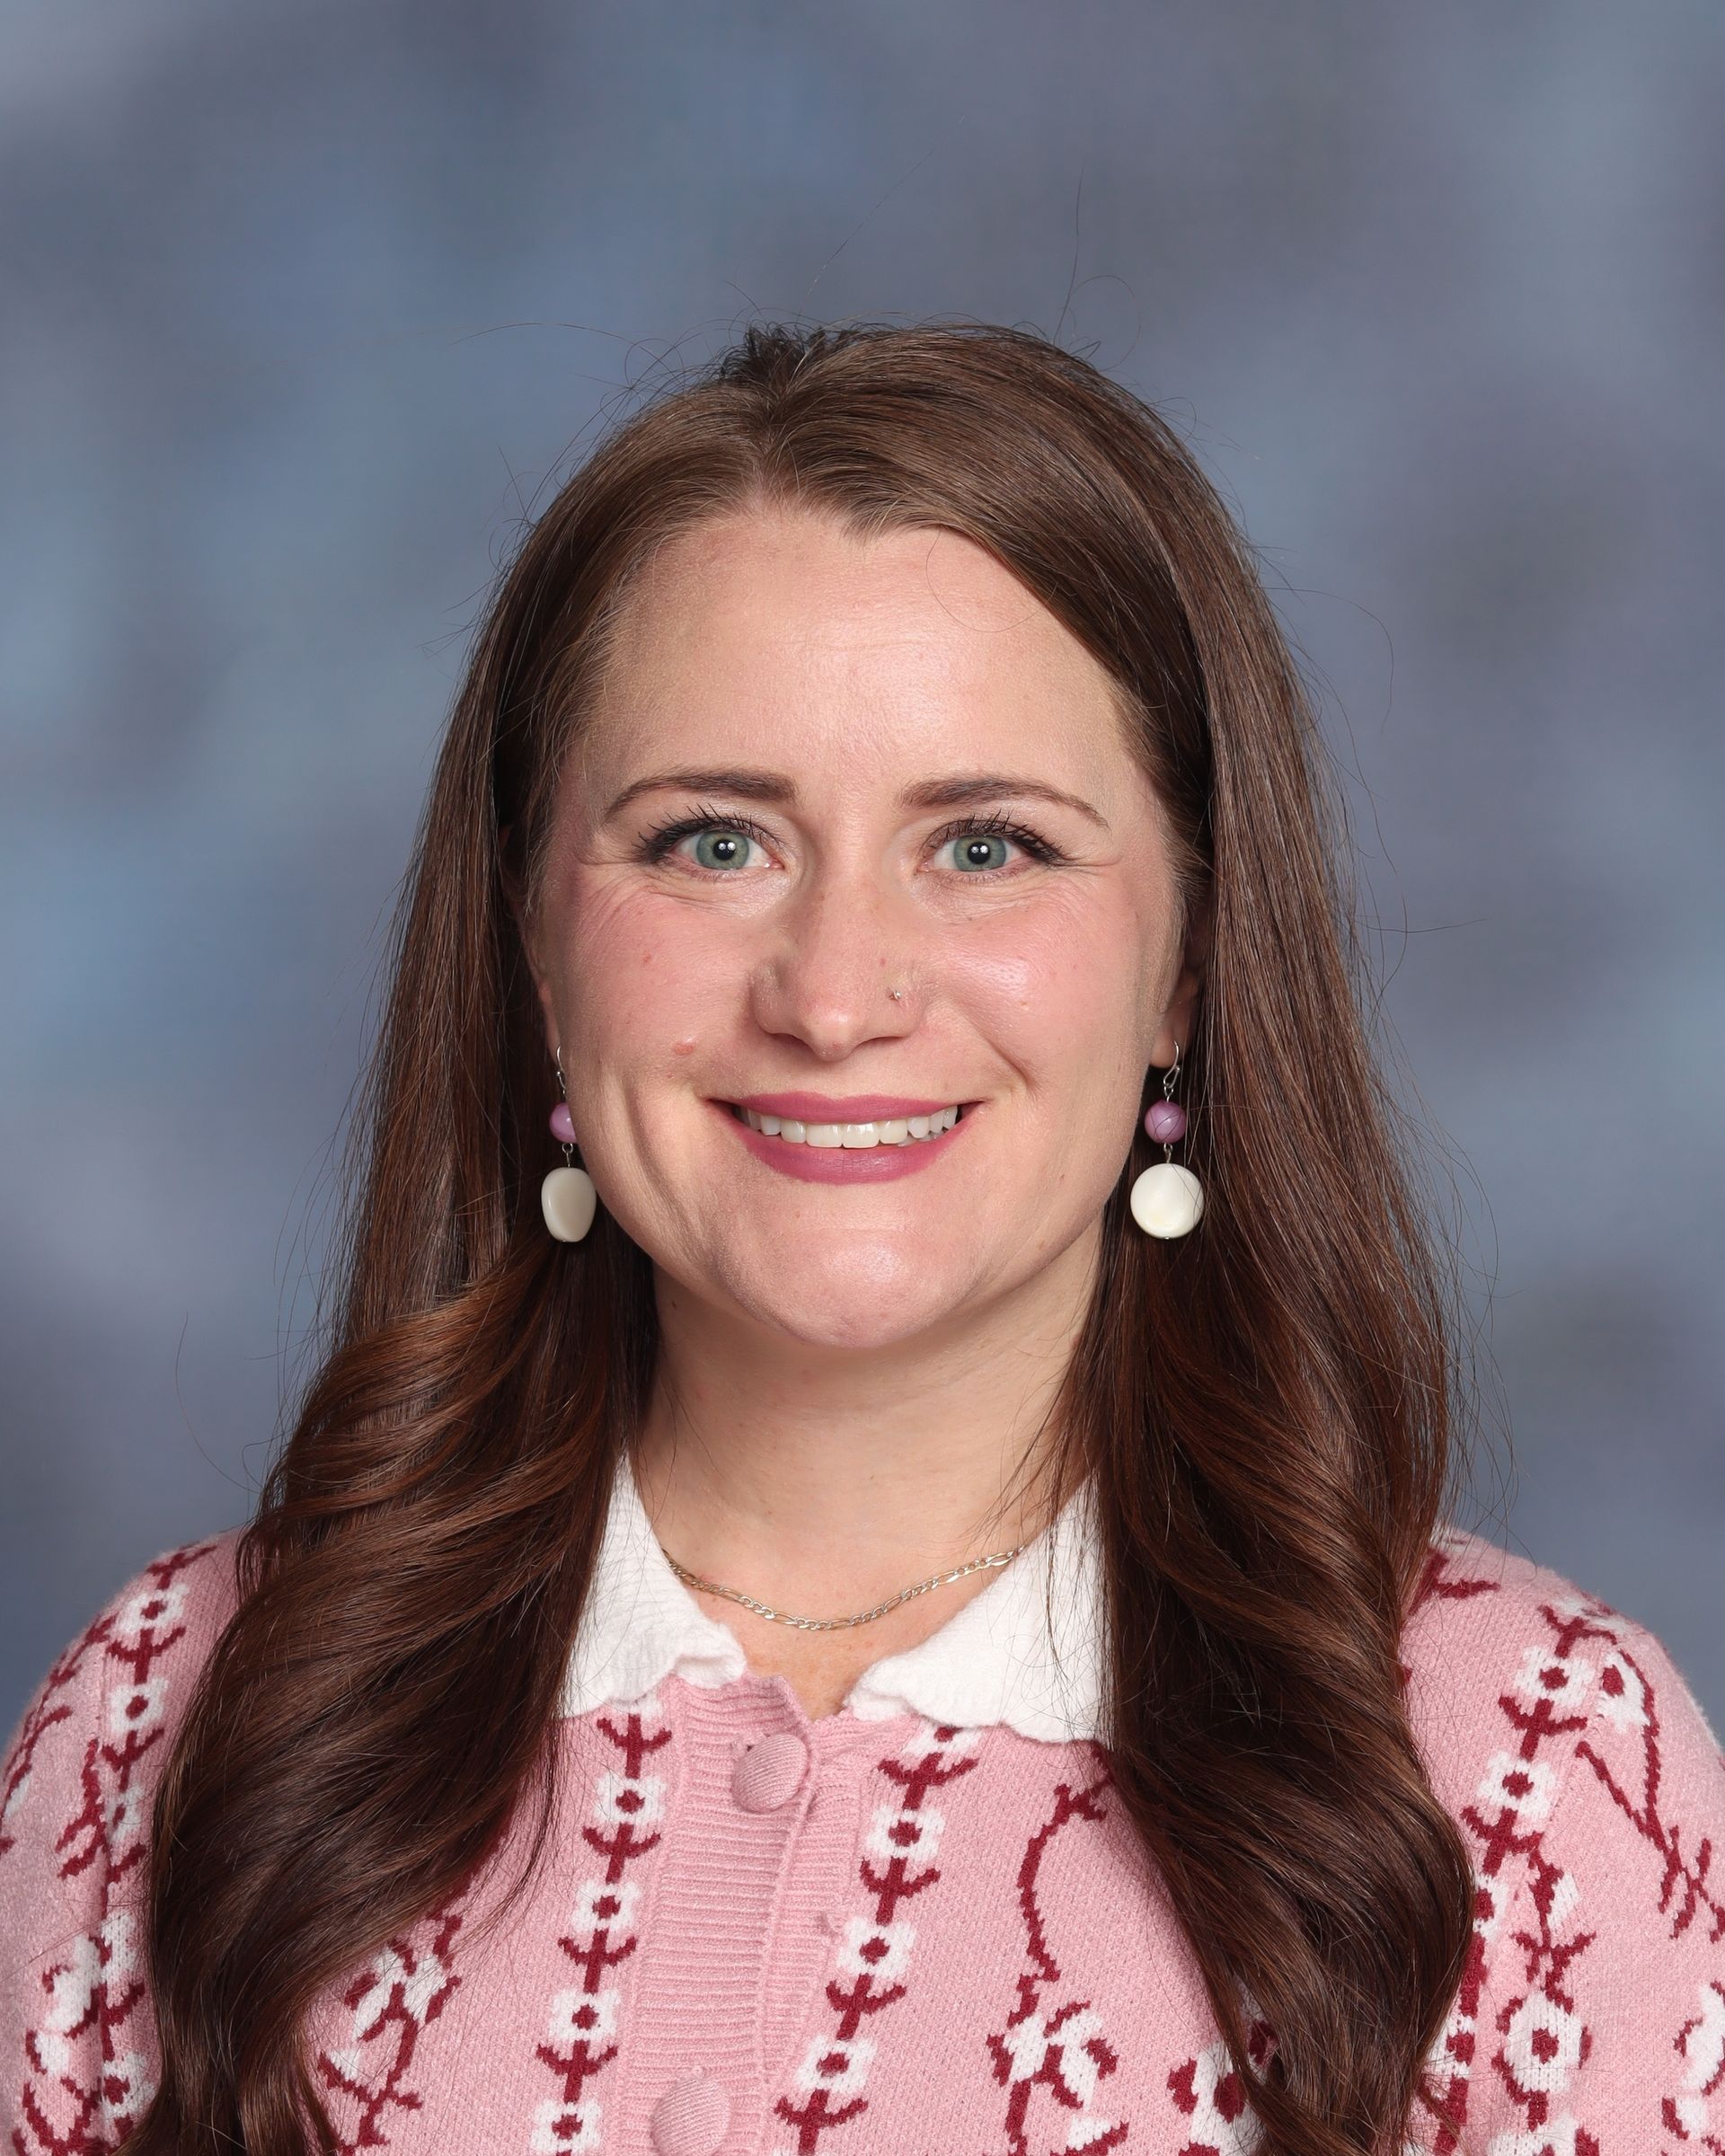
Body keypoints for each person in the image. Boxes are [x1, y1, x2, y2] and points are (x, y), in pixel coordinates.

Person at [4, 321, 1720, 2156]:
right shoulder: (171, 1718)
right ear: (530, 940)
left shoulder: (1537, 1769)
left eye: (986, 847)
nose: (834, 998)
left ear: (1190, 965)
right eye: (711, 844)